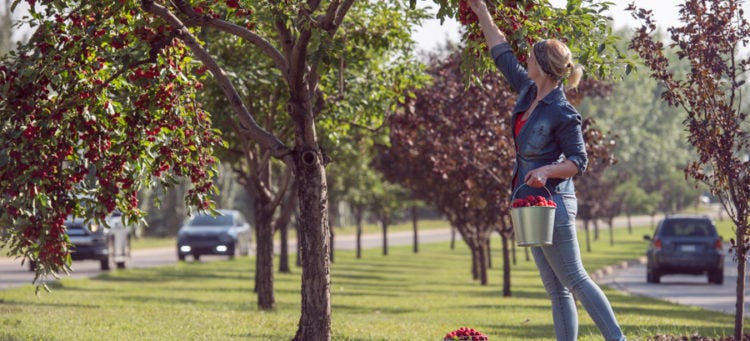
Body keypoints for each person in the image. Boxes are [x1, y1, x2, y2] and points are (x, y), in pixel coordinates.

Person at [467, 1, 626, 340]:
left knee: (575, 278)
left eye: (530, 56)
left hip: (556, 204)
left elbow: (578, 161)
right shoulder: (528, 91)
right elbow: (500, 51)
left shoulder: (563, 112)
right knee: (557, 291)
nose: (523, 59)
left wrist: (547, 172)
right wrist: (481, 11)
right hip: (531, 205)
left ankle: (618, 339)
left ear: (541, 65)